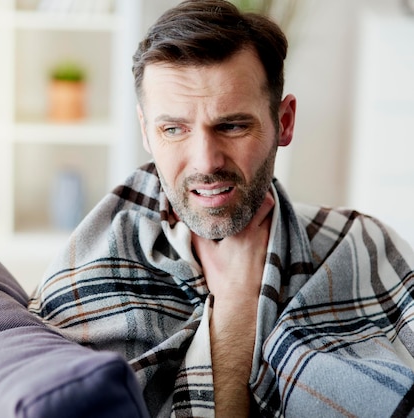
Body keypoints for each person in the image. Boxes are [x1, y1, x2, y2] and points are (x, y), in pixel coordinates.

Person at [28, 0, 414, 417]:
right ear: (146, 131)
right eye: (173, 129)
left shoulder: (362, 246)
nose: (206, 161)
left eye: (232, 126)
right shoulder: (96, 264)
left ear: (283, 122)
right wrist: (237, 303)